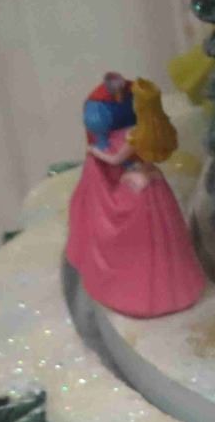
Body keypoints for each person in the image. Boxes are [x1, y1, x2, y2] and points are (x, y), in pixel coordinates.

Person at [65, 75, 206, 318]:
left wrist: (95, 151)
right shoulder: (148, 130)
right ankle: (165, 288)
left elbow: (115, 159)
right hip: (150, 179)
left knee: (138, 233)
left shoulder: (134, 134)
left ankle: (143, 292)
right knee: (160, 234)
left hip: (136, 180)